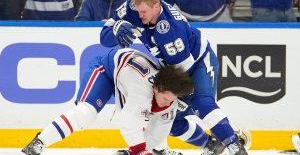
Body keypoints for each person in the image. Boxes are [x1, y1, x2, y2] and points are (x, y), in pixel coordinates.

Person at [100, 0, 248, 155]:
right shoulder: (132, 8)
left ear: (156, 6)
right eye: (138, 11)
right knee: (167, 118)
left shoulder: (170, 30)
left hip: (198, 62)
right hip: (174, 68)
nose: (139, 16)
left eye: (144, 12)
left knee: (201, 102)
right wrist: (115, 29)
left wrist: (181, 96)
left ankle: (234, 145)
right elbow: (104, 38)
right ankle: (211, 145)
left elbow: (183, 72)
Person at [21, 48, 194, 155]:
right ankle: (39, 142)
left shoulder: (168, 96)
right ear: (156, 88)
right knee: (85, 113)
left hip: (127, 81)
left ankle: (160, 149)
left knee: (151, 122)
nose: (166, 104)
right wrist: (139, 150)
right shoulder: (142, 92)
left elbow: (158, 131)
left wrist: (142, 150)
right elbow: (127, 123)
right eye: (164, 99)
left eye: (171, 100)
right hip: (107, 71)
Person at [160, 0, 233, 22]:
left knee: (228, 49)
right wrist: (174, 14)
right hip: (180, 18)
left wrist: (231, 1)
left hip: (220, 16)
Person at [230, 0, 300, 22]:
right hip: (264, 11)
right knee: (268, 45)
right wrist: (229, 2)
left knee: (293, 44)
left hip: (288, 10)